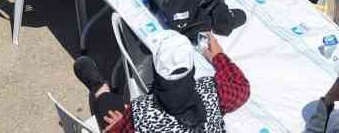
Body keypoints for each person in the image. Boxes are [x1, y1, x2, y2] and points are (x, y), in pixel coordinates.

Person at [74, 29, 251, 133]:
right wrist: (218, 56)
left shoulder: (141, 111)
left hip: (131, 121)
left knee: (108, 108)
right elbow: (241, 87)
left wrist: (120, 125)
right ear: (192, 69)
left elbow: (114, 131)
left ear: (157, 72)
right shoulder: (212, 92)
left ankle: (100, 89)